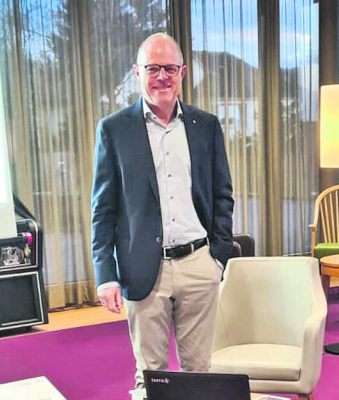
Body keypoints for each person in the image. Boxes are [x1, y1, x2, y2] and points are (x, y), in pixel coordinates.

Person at [91, 32, 233, 400]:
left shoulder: (206, 126)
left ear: (182, 72)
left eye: (170, 68)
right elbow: (103, 209)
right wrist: (106, 274)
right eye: (153, 68)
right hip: (142, 269)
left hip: (199, 265)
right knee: (150, 377)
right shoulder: (114, 130)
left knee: (199, 374)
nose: (162, 77)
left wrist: (217, 258)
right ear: (137, 72)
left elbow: (222, 195)